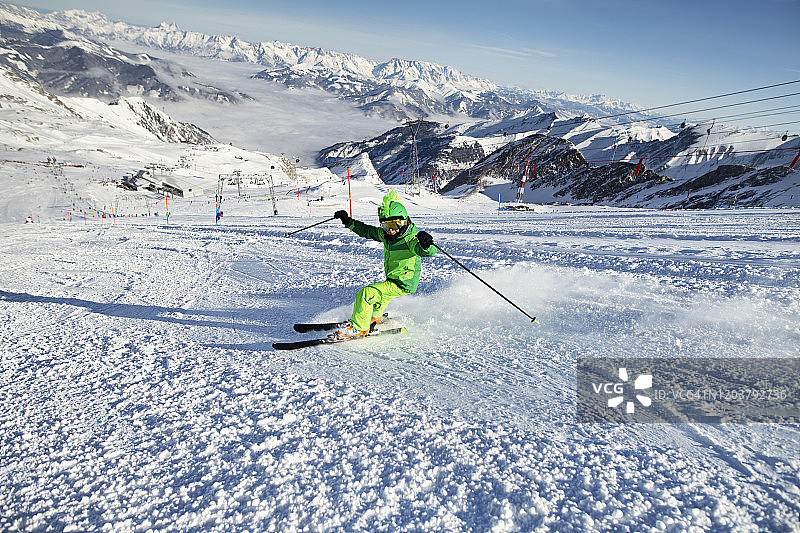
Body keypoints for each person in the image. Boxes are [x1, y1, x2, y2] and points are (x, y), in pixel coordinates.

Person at [332, 190, 436, 339]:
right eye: (387, 225)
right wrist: (348, 221)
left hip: (403, 282)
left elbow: (427, 251)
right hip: (393, 279)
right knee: (379, 300)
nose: (391, 230)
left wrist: (427, 244)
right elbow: (367, 231)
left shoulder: (411, 239)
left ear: (404, 221)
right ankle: (375, 318)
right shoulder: (386, 236)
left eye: (395, 224)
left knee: (366, 294)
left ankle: (359, 328)